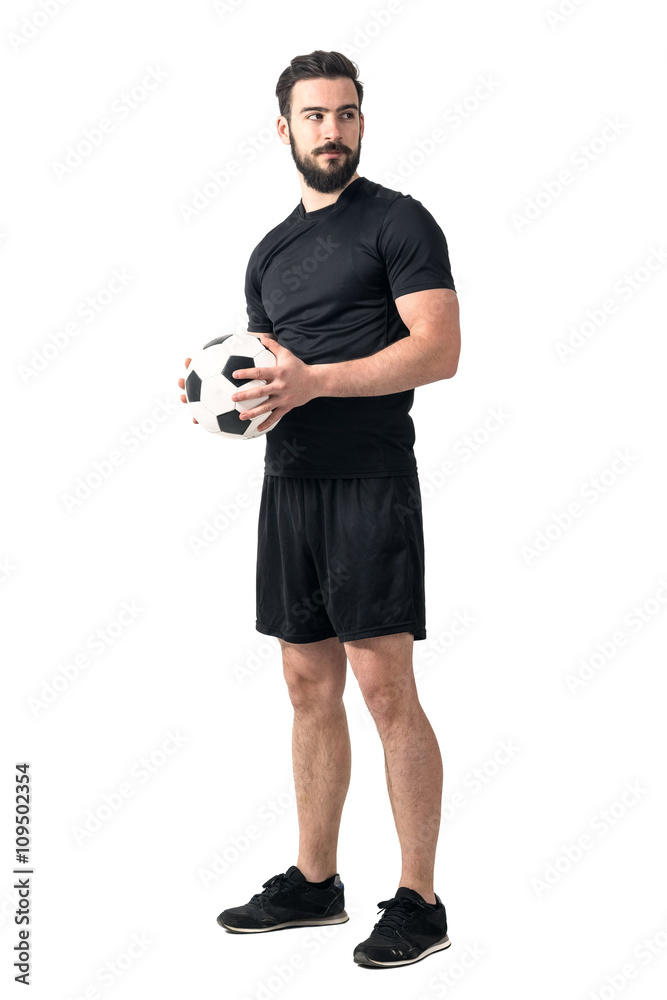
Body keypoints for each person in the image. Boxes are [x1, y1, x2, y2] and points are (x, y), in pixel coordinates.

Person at [177, 49, 461, 968]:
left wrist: (312, 381)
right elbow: (269, 370)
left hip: (371, 482)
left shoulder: (401, 223)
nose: (329, 131)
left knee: (385, 690)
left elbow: (437, 351)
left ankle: (419, 900)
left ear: (361, 124)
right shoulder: (270, 250)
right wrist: (221, 391)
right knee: (306, 687)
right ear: (284, 129)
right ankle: (314, 882)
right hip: (288, 484)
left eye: (344, 115)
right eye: (312, 117)